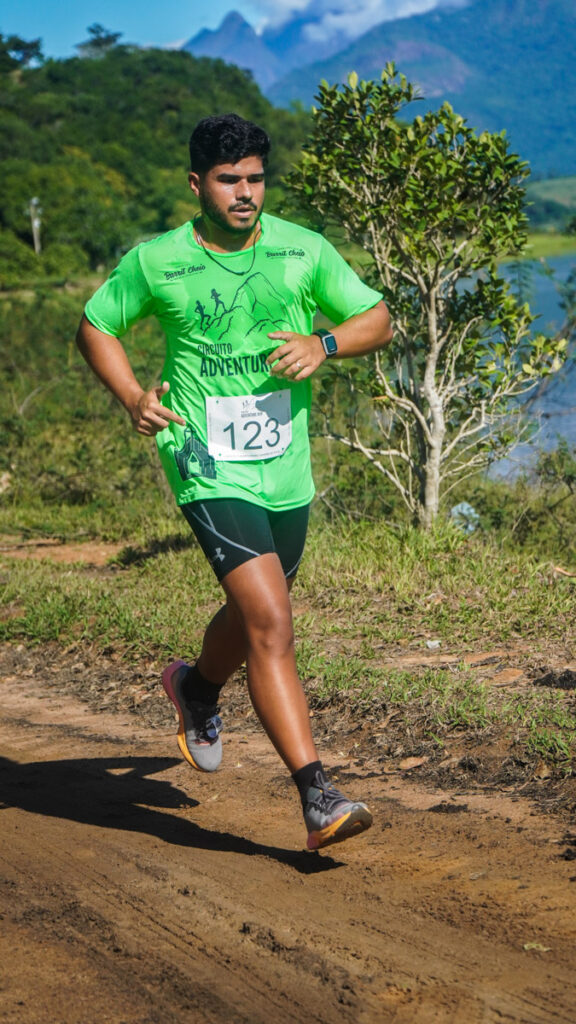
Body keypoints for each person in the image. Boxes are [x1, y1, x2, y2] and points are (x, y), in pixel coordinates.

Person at [76, 113, 393, 851]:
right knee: (272, 621)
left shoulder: (302, 249)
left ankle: (196, 687)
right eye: (228, 180)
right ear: (198, 184)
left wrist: (325, 342)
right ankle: (318, 796)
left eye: (254, 178)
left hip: (284, 466)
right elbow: (96, 327)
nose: (244, 192)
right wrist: (132, 396)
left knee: (255, 612)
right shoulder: (158, 260)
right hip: (202, 457)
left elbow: (377, 319)